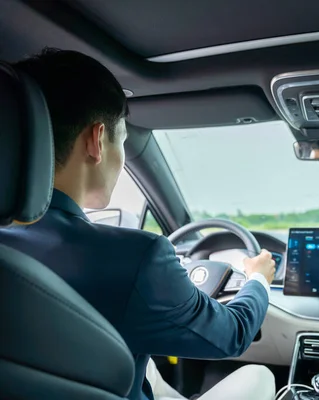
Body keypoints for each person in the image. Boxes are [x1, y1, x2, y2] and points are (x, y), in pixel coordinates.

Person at [0, 48, 276, 400]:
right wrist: (258, 279)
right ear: (97, 140)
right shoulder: (136, 257)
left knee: (150, 371)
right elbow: (232, 334)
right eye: (124, 141)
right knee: (259, 375)